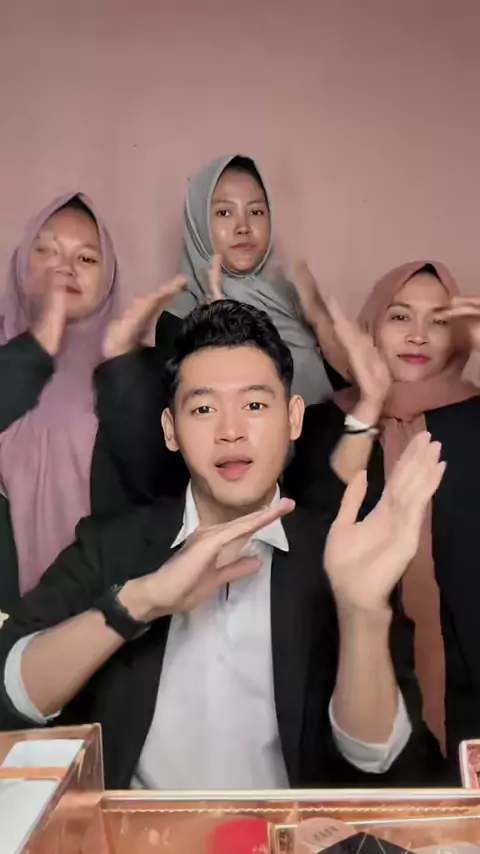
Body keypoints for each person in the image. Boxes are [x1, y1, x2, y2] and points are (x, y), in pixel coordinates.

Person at [0, 301, 442, 789]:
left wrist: (360, 614)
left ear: (293, 418)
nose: (231, 432)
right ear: (171, 430)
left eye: (254, 406)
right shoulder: (112, 545)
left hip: (289, 830)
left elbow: (375, 758)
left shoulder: (340, 552)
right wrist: (140, 602)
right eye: (204, 409)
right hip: (143, 829)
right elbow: (14, 695)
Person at [284, 260, 480, 775]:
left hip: (468, 664)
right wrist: (369, 406)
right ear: (373, 324)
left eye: (439, 321)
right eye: (400, 316)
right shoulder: (327, 420)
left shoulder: (474, 415)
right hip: (359, 665)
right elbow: (319, 519)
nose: (419, 335)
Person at [93, 153, 349, 503]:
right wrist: (219, 325)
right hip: (244, 500)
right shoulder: (181, 317)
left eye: (256, 212)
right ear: (199, 223)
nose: (243, 227)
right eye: (224, 213)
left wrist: (318, 317)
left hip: (324, 487)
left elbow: (345, 394)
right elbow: (178, 446)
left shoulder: (292, 295)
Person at [0, 193, 139, 612]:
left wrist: (125, 371)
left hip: (104, 609)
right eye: (47, 251)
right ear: (21, 263)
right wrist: (41, 339)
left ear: (108, 277)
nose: (65, 268)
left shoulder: (132, 368)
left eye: (87, 258)